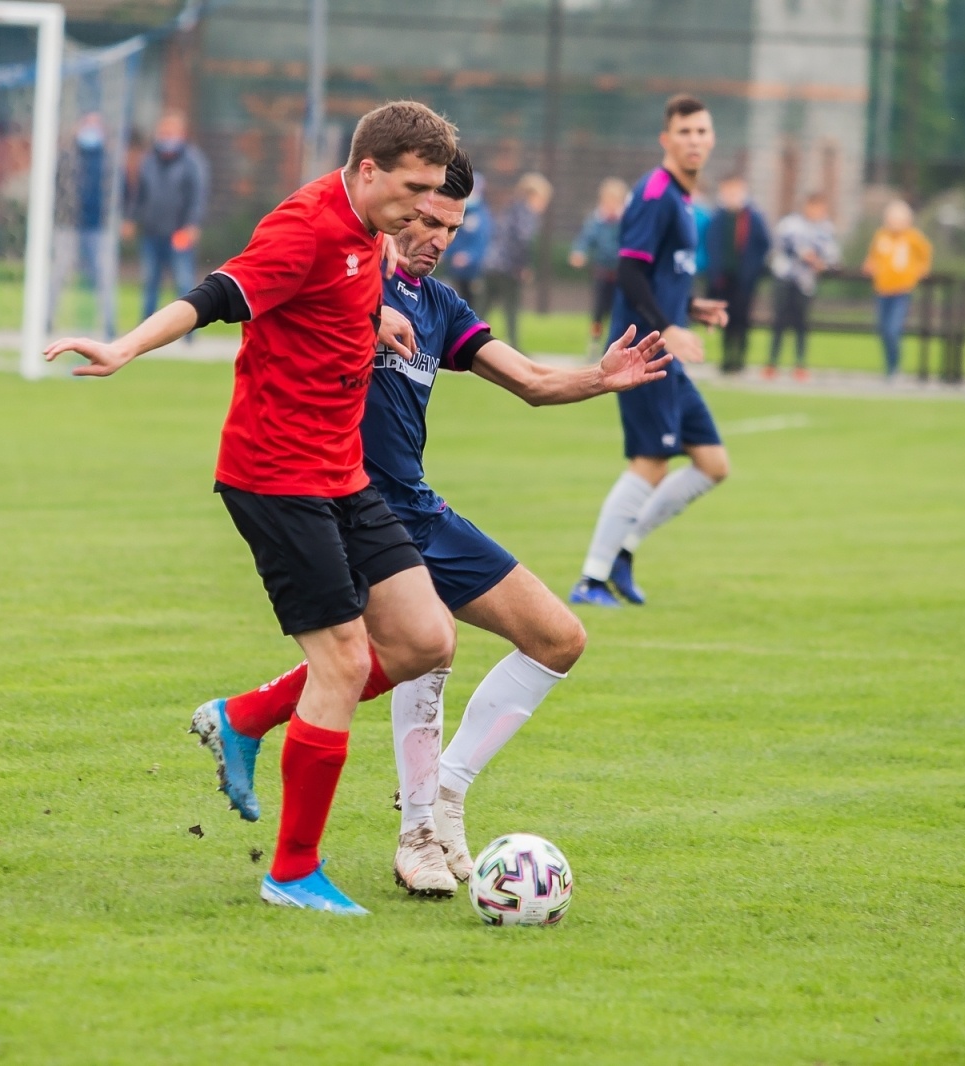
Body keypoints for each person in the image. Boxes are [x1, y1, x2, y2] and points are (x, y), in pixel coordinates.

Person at [188, 151, 669, 896]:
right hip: (339, 499)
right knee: (425, 648)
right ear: (392, 200)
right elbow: (257, 295)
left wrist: (601, 378)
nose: (436, 237)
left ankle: (438, 792)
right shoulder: (342, 270)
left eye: (452, 225)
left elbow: (533, 383)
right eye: (425, 217)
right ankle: (417, 834)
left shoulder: (440, 305)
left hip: (414, 503)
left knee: (557, 638)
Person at [46, 101, 461, 916]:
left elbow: (329, 295)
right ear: (369, 169)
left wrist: (373, 319)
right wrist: (125, 346)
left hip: (340, 473)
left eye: (435, 192)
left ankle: (245, 716)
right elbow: (218, 292)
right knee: (343, 662)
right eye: (414, 189)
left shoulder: (367, 232)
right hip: (275, 474)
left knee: (424, 639)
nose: (424, 209)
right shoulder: (306, 225)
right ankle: (293, 871)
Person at [571, 94, 731, 608]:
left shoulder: (683, 198)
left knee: (712, 464)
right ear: (667, 139)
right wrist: (668, 326)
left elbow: (662, 274)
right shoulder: (655, 192)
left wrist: (693, 307)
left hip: (666, 347)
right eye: (685, 132)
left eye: (702, 132)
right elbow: (631, 271)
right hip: (642, 353)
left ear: (711, 139)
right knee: (650, 462)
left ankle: (623, 550)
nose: (694, 140)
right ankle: (591, 579)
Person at [126, 109, 209, 325]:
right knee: (150, 283)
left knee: (183, 284)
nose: (166, 136)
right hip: (152, 232)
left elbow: (197, 196)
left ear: (181, 134)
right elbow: (140, 195)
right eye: (163, 132)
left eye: (170, 132)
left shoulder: (192, 162)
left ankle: (189, 330)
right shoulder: (149, 160)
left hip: (179, 233)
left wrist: (191, 225)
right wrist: (131, 219)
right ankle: (145, 330)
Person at [48, 112, 116, 340]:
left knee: (104, 276)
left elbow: (121, 192)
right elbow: (54, 188)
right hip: (69, 226)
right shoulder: (67, 157)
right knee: (59, 271)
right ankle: (47, 320)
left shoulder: (109, 161)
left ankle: (108, 324)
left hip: (99, 228)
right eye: (87, 125)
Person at [765, 191, 839, 380]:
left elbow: (832, 255)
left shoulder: (826, 228)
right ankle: (772, 363)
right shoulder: (790, 224)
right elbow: (782, 245)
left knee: (802, 324)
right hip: (785, 278)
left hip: (806, 282)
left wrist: (822, 263)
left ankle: (800, 364)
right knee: (779, 321)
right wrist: (804, 254)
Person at [703, 174, 771, 374]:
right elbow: (711, 245)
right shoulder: (718, 218)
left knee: (742, 319)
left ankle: (739, 358)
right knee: (725, 318)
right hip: (723, 279)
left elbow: (764, 245)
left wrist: (753, 269)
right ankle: (726, 357)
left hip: (745, 280)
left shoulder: (753, 218)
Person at [861, 199, 932, 379]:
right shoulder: (881, 236)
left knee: (893, 329)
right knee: (883, 329)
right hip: (882, 288)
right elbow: (873, 256)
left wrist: (922, 269)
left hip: (902, 290)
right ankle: (888, 366)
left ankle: (894, 366)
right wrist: (869, 265)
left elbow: (925, 253)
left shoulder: (912, 237)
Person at [481, 172, 552, 349]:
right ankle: (513, 345)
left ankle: (464, 340)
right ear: (533, 196)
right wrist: (523, 267)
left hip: (490, 263)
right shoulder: (526, 213)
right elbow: (522, 240)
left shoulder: (511, 207)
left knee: (482, 307)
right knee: (511, 307)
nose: (543, 205)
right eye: (543, 200)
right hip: (507, 267)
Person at [570, 177, 629, 353]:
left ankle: (617, 343)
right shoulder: (597, 220)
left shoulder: (626, 220)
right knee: (598, 312)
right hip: (603, 273)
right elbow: (585, 238)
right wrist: (578, 252)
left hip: (622, 273)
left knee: (619, 312)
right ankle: (595, 341)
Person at [445, 169, 491, 311]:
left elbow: (482, 242)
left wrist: (469, 256)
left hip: (474, 270)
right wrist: (447, 253)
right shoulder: (460, 212)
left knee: (472, 305)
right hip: (454, 268)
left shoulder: (481, 215)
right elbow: (454, 236)